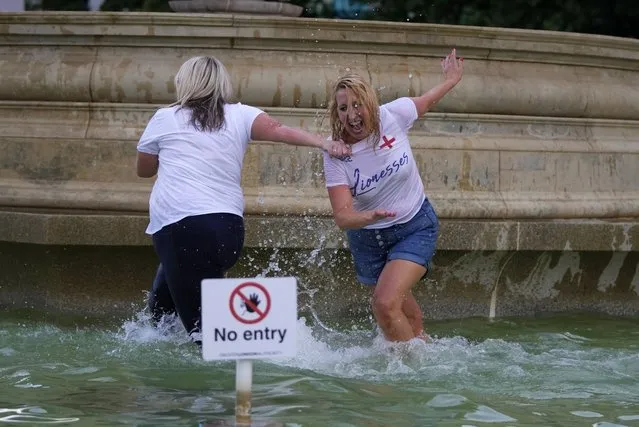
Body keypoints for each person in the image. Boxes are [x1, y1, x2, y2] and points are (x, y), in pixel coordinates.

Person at [136, 55, 351, 344]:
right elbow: (280, 131)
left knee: (204, 336)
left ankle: (215, 381)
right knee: (162, 314)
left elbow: (144, 170)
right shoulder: (241, 114)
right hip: (226, 232)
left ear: (183, 83)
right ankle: (181, 366)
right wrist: (324, 142)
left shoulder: (165, 117)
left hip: (182, 230)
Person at [322, 48, 464, 342]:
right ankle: (429, 363)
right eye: (344, 108)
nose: (352, 115)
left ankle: (406, 373)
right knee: (406, 313)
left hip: (413, 226)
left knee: (385, 305)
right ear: (336, 113)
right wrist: (367, 216)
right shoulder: (336, 154)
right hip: (368, 240)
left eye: (357, 105)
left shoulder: (394, 115)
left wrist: (451, 79)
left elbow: (427, 101)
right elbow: (342, 217)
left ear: (370, 103)